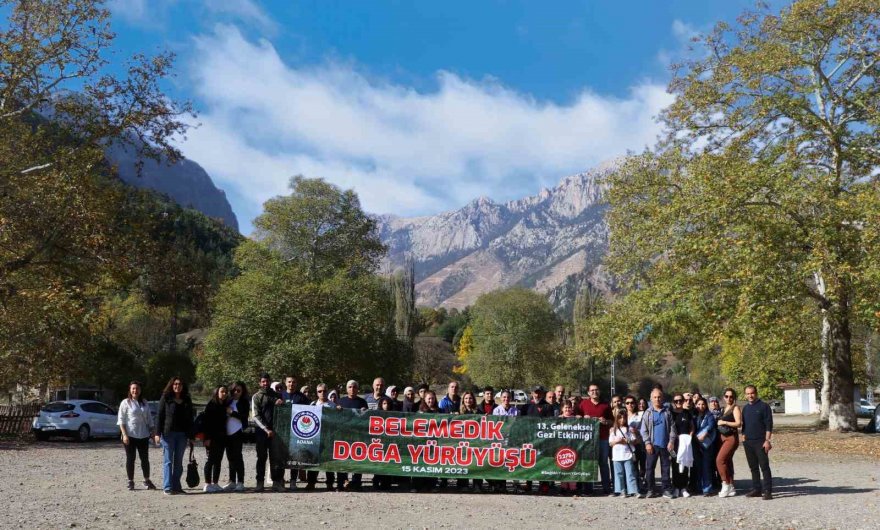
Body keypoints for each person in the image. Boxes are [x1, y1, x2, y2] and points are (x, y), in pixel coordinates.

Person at [157, 376, 195, 495]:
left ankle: (177, 486)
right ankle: (167, 487)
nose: (177, 386)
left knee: (178, 462)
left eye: (179, 384)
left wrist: (191, 435)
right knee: (168, 461)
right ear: (172, 385)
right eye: (175, 384)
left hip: (182, 435)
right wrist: (157, 433)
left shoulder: (187, 400)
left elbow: (190, 419)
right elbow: (160, 415)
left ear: (183, 386)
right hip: (168, 434)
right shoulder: (166, 398)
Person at [117, 381, 158, 491]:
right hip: (130, 435)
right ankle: (130, 481)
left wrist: (153, 432)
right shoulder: (125, 403)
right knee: (131, 458)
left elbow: (149, 419)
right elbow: (121, 420)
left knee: (145, 459)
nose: (135, 390)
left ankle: (147, 480)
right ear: (130, 390)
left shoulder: (144, 402)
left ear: (140, 390)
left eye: (137, 388)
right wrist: (124, 435)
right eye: (133, 388)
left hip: (143, 435)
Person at [640, 388, 677, 498]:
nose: (657, 399)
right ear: (651, 399)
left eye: (659, 397)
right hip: (652, 445)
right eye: (655, 397)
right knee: (649, 468)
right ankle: (651, 489)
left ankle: (666, 489)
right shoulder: (648, 413)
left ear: (663, 398)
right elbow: (643, 430)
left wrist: (671, 441)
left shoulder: (667, 412)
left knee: (665, 468)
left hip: (665, 445)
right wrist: (647, 443)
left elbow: (673, 429)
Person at [579, 383, 613, 495]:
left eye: (596, 390)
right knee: (589, 463)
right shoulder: (583, 404)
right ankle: (588, 489)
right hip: (588, 440)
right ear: (588, 392)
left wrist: (606, 421)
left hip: (603, 438)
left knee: (603, 463)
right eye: (592, 390)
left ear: (599, 391)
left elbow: (612, 421)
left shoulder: (605, 405)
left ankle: (606, 488)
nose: (594, 392)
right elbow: (576, 418)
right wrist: (583, 418)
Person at [252, 372, 284, 492]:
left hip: (277, 433)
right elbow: (255, 415)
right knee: (261, 458)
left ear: (270, 382)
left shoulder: (276, 395)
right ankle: (260, 483)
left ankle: (276, 482)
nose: (265, 383)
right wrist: (266, 429)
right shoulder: (256, 396)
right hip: (262, 432)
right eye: (263, 381)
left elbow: (283, 412)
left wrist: (282, 404)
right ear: (260, 383)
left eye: (267, 381)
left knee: (276, 458)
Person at [741, 385, 773, 500]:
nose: (750, 395)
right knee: (753, 467)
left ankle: (768, 491)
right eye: (748, 393)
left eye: (752, 393)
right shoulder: (745, 408)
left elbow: (769, 425)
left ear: (756, 393)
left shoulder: (764, 407)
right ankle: (756, 489)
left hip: (761, 441)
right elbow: (744, 425)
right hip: (748, 442)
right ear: (745, 395)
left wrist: (767, 440)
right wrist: (743, 437)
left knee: (764, 466)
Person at [337, 380, 369, 491]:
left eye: (354, 387)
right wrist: (336, 410)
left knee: (357, 458)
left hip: (357, 435)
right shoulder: (340, 401)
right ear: (346, 389)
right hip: (343, 435)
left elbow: (366, 418)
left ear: (357, 389)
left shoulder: (362, 402)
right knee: (342, 458)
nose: (352, 389)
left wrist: (366, 412)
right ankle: (341, 482)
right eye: (350, 387)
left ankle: (356, 482)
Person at [523, 385, 554, 494]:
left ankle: (544, 483)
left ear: (542, 394)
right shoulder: (526, 406)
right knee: (529, 461)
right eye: (535, 392)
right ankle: (529, 483)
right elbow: (520, 422)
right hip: (529, 438)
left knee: (543, 461)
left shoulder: (547, 406)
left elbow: (550, 423)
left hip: (542, 439)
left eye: (539, 393)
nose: (537, 395)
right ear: (532, 393)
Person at [306, 383, 336, 491]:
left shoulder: (333, 405)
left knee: (329, 461)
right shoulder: (312, 405)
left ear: (327, 392)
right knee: (313, 459)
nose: (322, 393)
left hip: (329, 436)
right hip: (315, 436)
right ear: (317, 392)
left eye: (324, 391)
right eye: (320, 391)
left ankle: (330, 483)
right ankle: (311, 482)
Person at [281, 375, 309, 491]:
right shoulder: (280, 395)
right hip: (282, 431)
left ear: (296, 384)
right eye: (289, 382)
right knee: (281, 456)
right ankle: (280, 481)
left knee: (295, 457)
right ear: (285, 383)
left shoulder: (301, 397)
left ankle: (293, 481)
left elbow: (311, 409)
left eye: (293, 382)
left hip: (297, 431)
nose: (291, 384)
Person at [490, 390, 519, 493]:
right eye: (504, 397)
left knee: (513, 461)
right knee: (500, 462)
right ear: (500, 398)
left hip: (512, 439)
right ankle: (500, 485)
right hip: (500, 439)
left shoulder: (515, 411)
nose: (506, 399)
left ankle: (516, 485)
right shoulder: (496, 410)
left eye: (508, 397)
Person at [202, 385, 229, 493]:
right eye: (222, 391)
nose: (224, 393)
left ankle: (215, 483)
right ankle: (207, 484)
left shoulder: (224, 405)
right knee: (211, 460)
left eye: (225, 392)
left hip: (221, 437)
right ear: (216, 392)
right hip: (212, 437)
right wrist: (207, 438)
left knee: (218, 460)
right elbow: (206, 423)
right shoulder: (211, 405)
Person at [716, 387, 742, 498]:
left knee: (720, 460)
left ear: (734, 398)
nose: (729, 398)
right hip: (723, 438)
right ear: (723, 397)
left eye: (731, 396)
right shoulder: (724, 408)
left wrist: (724, 422)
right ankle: (731, 486)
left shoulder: (735, 408)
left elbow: (738, 423)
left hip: (731, 438)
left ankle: (725, 484)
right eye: (726, 396)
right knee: (727, 461)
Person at [413, 391, 441, 492]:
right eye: (429, 398)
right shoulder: (420, 412)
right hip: (421, 442)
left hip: (434, 443)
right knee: (419, 464)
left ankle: (432, 485)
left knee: (432, 464)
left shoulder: (439, 411)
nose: (431, 400)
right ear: (424, 399)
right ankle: (416, 485)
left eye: (433, 398)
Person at [223, 381, 249, 492]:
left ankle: (241, 482)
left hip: (238, 432)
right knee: (230, 458)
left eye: (239, 390)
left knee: (238, 457)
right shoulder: (227, 401)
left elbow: (244, 417)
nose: (236, 392)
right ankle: (232, 481)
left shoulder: (244, 402)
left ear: (242, 391)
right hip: (227, 433)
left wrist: (232, 412)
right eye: (234, 390)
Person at [609, 410, 640, 497]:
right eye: (620, 418)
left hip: (627, 454)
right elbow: (610, 443)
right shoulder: (613, 430)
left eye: (624, 418)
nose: (622, 420)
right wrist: (617, 441)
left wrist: (628, 441)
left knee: (630, 473)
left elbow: (634, 441)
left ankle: (633, 490)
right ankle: (621, 490)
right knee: (619, 474)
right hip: (616, 455)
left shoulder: (629, 429)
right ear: (616, 419)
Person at [671, 393, 695, 498]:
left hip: (686, 443)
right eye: (676, 401)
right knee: (675, 464)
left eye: (680, 400)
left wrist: (690, 437)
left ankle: (684, 487)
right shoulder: (671, 414)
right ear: (673, 402)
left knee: (685, 464)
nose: (678, 402)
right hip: (675, 443)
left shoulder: (687, 413)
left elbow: (692, 427)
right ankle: (676, 487)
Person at [693, 397, 717, 497]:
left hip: (706, 444)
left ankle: (707, 489)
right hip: (696, 444)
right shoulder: (694, 415)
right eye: (698, 404)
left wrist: (705, 433)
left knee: (706, 466)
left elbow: (711, 425)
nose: (701, 406)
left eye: (703, 404)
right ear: (695, 405)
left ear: (706, 405)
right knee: (698, 466)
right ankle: (699, 487)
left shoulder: (709, 415)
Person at [624, 395, 646, 492]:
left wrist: (636, 431)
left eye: (632, 402)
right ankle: (631, 487)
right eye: (627, 403)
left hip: (638, 444)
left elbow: (646, 429)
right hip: (625, 445)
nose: (630, 405)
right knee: (630, 467)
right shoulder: (622, 415)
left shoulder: (641, 415)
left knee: (640, 466)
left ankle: (640, 485)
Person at [558, 400, 579, 495]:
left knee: (572, 467)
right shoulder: (558, 419)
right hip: (562, 446)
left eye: (569, 407)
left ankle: (573, 487)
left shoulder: (576, 418)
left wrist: (581, 419)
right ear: (562, 409)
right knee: (563, 466)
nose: (567, 409)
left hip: (573, 446)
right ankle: (563, 486)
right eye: (565, 407)